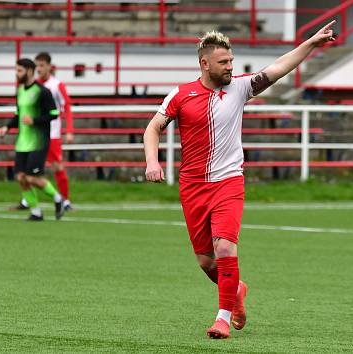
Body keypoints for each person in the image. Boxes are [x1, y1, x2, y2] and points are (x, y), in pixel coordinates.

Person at [143, 21, 336, 339]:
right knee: (206, 262)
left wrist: (312, 43)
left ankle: (221, 318)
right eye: (223, 63)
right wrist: (152, 161)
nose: (230, 67)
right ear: (205, 64)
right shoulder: (180, 95)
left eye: (231, 61)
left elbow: (278, 67)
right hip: (192, 187)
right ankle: (236, 291)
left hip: (229, 183)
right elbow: (153, 128)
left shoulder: (241, 88)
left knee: (225, 249)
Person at [0, 58, 65, 221]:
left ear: (29, 71)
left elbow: (54, 114)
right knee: (21, 177)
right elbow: (18, 115)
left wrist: (34, 121)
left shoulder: (42, 91)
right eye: (16, 70)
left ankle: (58, 198)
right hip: (23, 141)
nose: (17, 74)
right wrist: (7, 127)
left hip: (38, 141)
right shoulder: (20, 91)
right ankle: (36, 212)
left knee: (32, 178)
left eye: (19, 70)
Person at [12, 52, 74, 211]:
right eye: (37, 65)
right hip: (33, 136)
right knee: (26, 172)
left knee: (57, 167)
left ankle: (65, 201)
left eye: (42, 65)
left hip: (52, 133)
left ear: (49, 66)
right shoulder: (32, 86)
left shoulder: (56, 85)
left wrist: (69, 131)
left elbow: (66, 107)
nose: (39, 69)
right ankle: (29, 202)